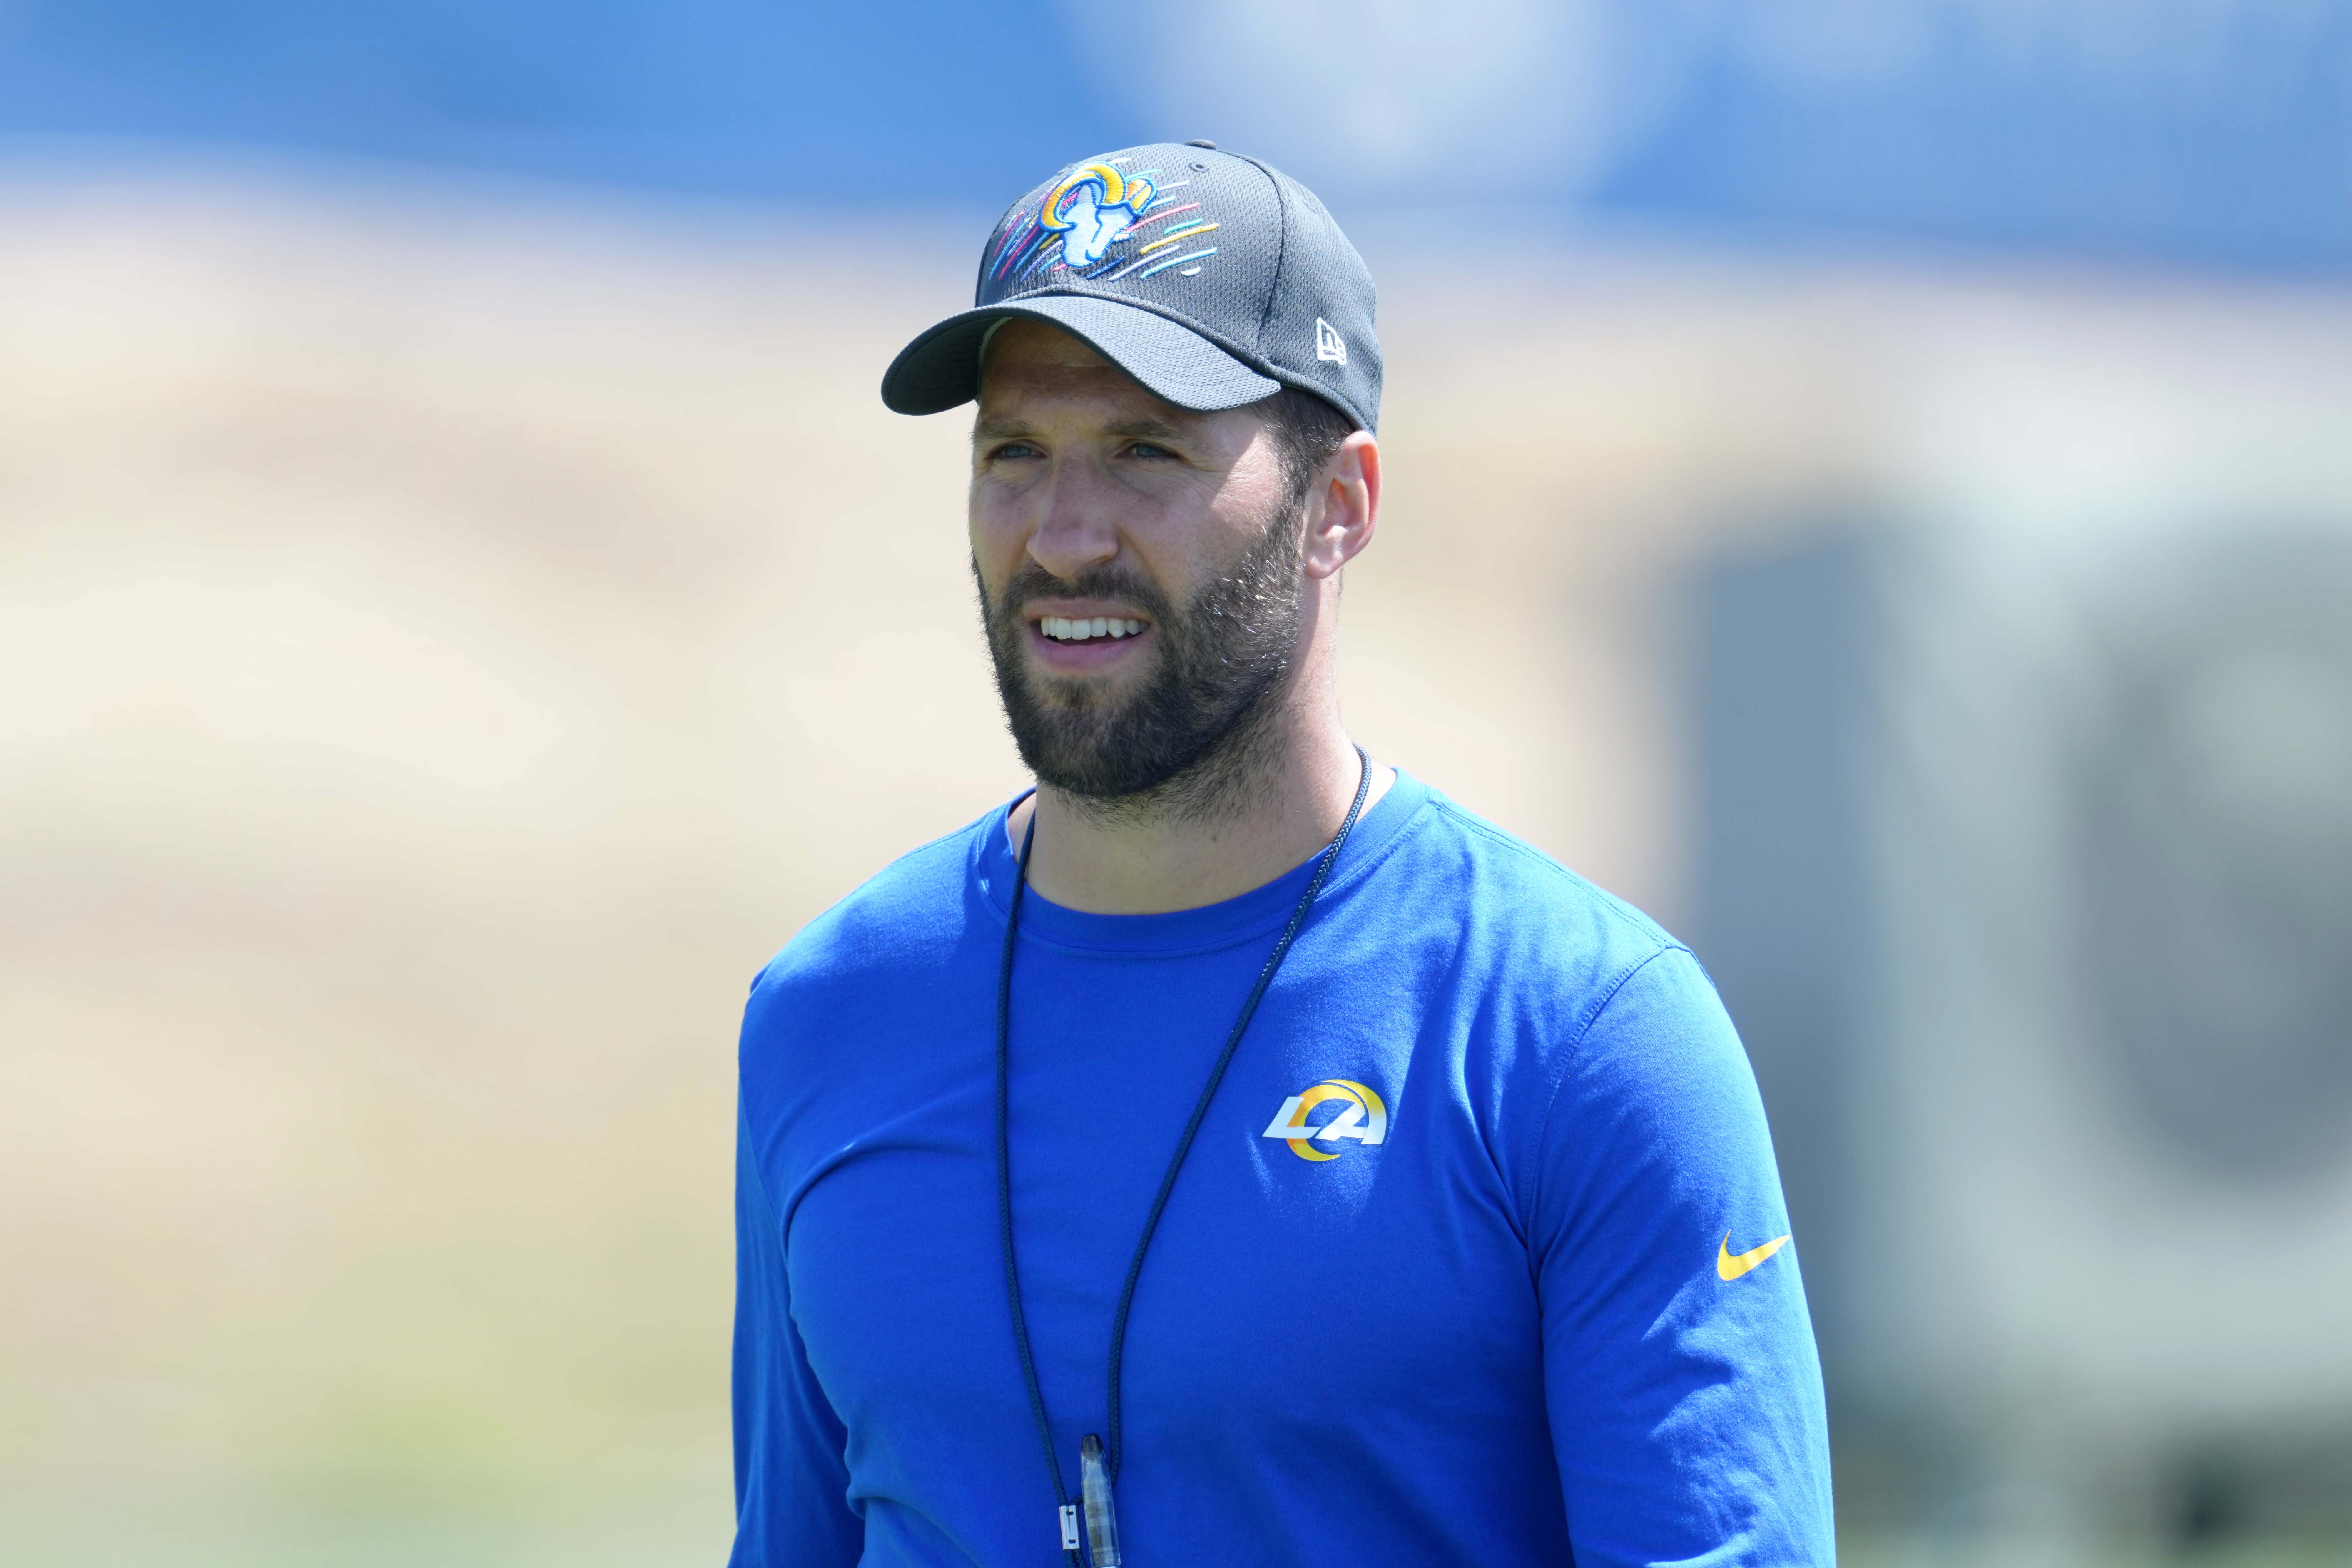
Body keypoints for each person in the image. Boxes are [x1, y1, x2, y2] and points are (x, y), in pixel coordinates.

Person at [729, 142, 1833, 1568]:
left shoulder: (1581, 1033)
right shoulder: (823, 1016)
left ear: (1340, 506)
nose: (1065, 536)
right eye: (1015, 452)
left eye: (1146, 451)